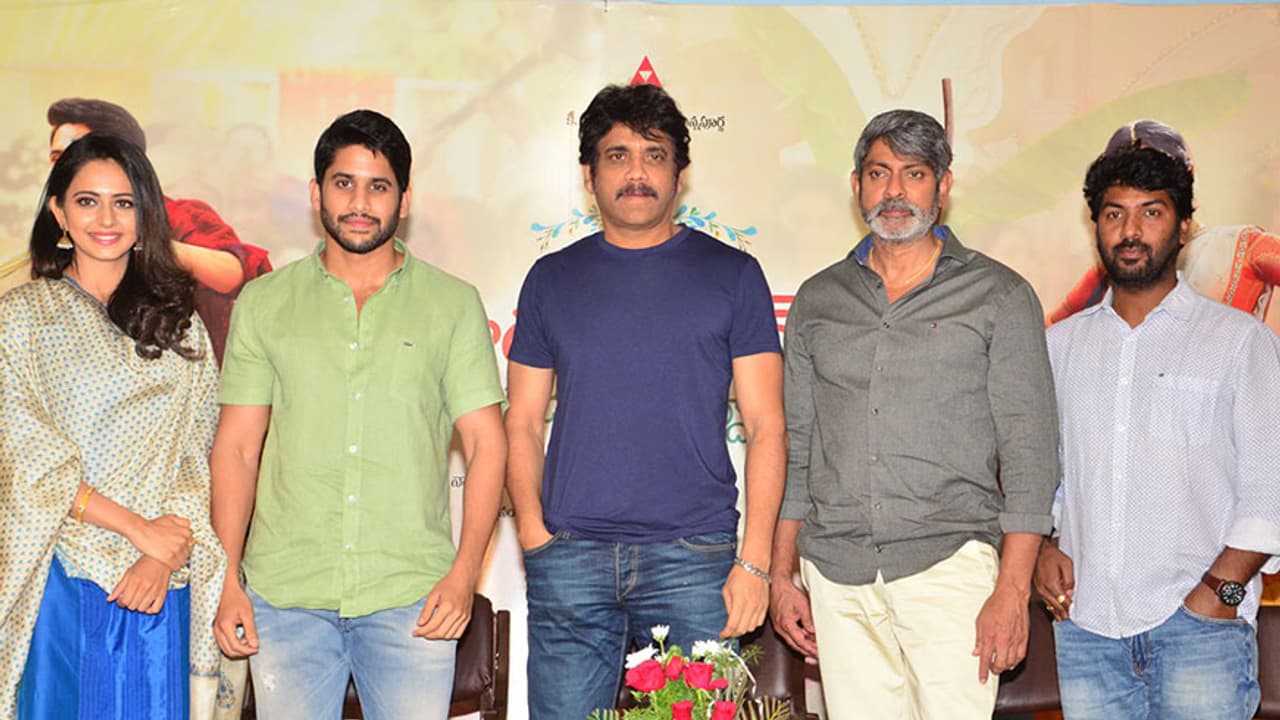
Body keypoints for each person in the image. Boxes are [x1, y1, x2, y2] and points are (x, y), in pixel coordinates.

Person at [208, 109, 506, 720]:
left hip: (412, 599)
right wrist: (227, 577)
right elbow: (237, 448)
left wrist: (465, 575)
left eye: (379, 186)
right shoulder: (264, 302)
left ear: (405, 199)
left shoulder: (452, 304)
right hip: (285, 596)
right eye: (344, 183)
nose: (360, 203)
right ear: (316, 192)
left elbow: (487, 444)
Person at [505, 83, 785, 720]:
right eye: (618, 155)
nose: (637, 172)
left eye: (655, 155)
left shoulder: (734, 275)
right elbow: (520, 422)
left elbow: (767, 425)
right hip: (569, 556)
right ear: (589, 175)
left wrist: (755, 562)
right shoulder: (550, 279)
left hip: (696, 561)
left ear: (679, 175)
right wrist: (534, 535)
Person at [770, 109, 1059, 719]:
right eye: (879, 173)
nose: (895, 191)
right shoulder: (819, 301)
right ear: (857, 186)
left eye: (915, 174)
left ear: (943, 186)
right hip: (836, 571)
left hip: (950, 567)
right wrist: (780, 574)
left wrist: (1012, 590)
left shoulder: (999, 296)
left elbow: (1031, 455)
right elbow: (799, 448)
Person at [1035, 145, 1280, 719]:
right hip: (1087, 629)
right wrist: (1043, 545)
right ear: (1096, 226)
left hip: (1201, 631)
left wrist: (1219, 595)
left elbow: (1270, 485)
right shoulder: (1059, 347)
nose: (1131, 231)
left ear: (1183, 226)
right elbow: (1049, 476)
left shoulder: (1239, 341)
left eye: (1151, 212)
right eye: (1114, 213)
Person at [0, 134, 225, 718]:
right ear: (58, 212)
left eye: (124, 203)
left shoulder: (181, 327)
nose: (106, 219)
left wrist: (161, 554)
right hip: (59, 575)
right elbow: (23, 456)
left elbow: (194, 456)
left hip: (159, 582)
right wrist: (135, 530)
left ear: (146, 214)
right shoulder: (19, 320)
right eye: (87, 201)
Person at [40, 97, 272, 361]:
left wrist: (149, 243)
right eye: (57, 158)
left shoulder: (180, 215)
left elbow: (233, 274)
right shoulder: (58, 231)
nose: (65, 168)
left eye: (79, 155)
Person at [1047, 119, 1280, 329]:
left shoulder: (1242, 247)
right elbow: (1046, 336)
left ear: (1189, 177)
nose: (1132, 229)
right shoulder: (1113, 270)